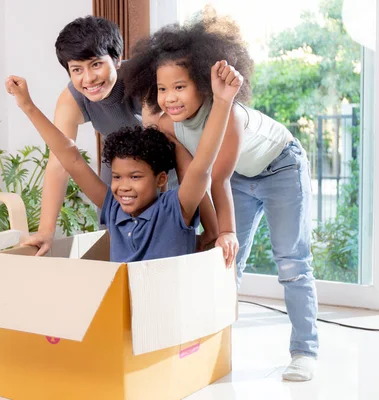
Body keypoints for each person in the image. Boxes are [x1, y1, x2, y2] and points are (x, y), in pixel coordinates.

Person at [123, 10, 318, 381]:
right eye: (162, 89)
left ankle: (304, 351)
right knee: (226, 261)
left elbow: (218, 179)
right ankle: (215, 346)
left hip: (281, 167)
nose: (169, 98)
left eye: (179, 87)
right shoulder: (168, 125)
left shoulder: (228, 116)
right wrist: (216, 234)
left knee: (292, 261)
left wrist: (224, 228)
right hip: (238, 179)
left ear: (201, 82)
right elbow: (193, 177)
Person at [5, 59, 242, 262]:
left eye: (135, 177)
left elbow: (201, 166)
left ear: (161, 179)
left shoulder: (175, 208)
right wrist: (28, 106)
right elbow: (71, 158)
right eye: (117, 176)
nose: (123, 186)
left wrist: (222, 102)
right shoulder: (113, 207)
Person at [21, 15, 219, 256]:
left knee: (165, 232)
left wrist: (211, 226)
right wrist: (46, 231)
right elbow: (61, 163)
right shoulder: (71, 99)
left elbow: (181, 159)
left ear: (116, 60)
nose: (88, 78)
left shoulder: (143, 81)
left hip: (161, 159)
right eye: (77, 69)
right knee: (114, 227)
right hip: (118, 159)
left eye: (96, 64)